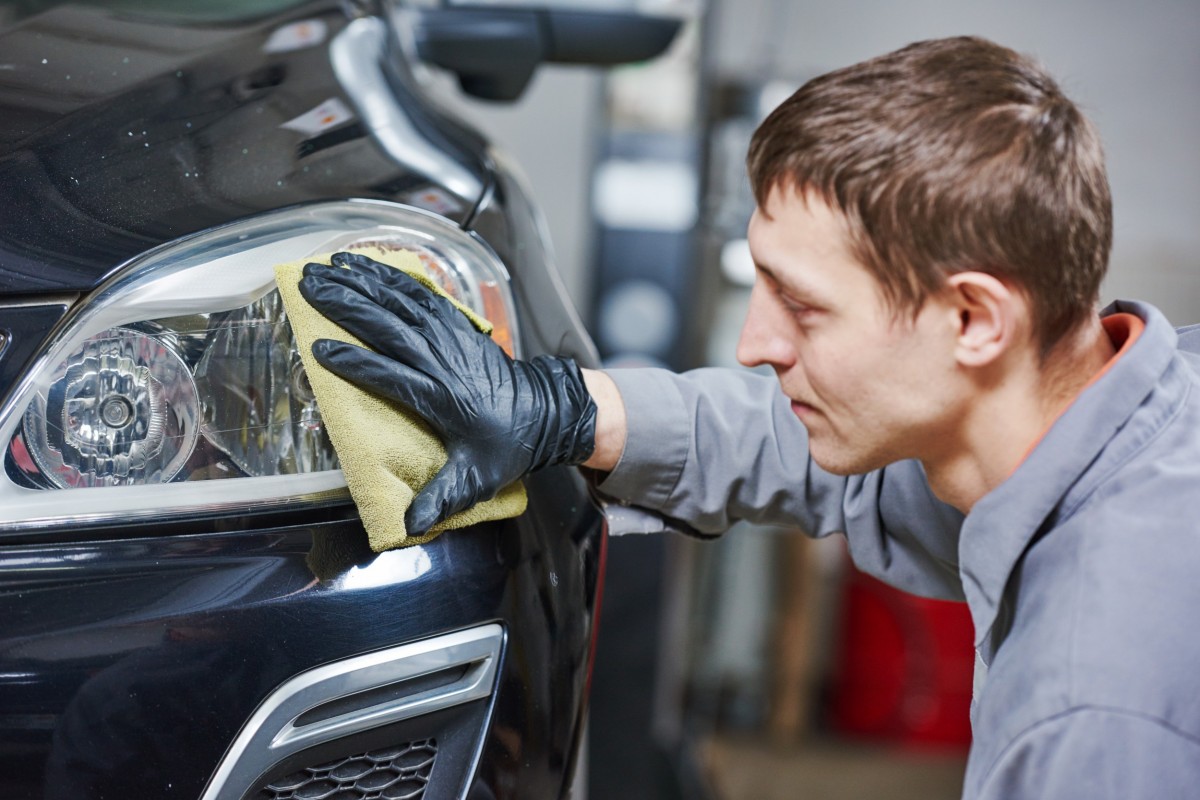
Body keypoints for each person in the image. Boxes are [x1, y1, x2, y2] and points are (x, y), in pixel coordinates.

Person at [298, 36, 1200, 799]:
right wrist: (565, 408)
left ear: (973, 320)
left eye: (804, 308)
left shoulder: (1098, 710)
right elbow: (815, 451)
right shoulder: (1111, 404)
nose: (755, 345)